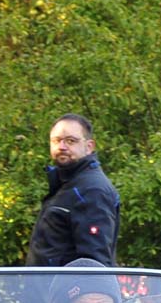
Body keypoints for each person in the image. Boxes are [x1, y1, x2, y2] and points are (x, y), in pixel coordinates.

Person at [27, 113, 120, 268]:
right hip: (45, 290)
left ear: (89, 146)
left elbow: (94, 264)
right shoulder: (66, 185)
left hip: (67, 291)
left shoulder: (92, 190)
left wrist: (80, 292)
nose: (62, 147)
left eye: (71, 141)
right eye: (56, 140)